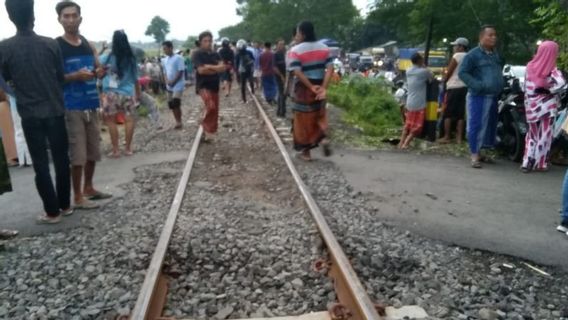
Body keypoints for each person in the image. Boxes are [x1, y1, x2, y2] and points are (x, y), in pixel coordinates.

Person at [0, 0, 72, 224]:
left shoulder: (4, 47)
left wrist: (14, 91)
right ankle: (65, 204)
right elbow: (60, 77)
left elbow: (3, 78)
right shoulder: (50, 44)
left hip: (29, 113)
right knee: (61, 159)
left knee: (40, 163)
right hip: (55, 108)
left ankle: (52, 212)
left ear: (11, 18)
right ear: (33, 16)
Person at [56, 1, 111, 210]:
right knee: (77, 153)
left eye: (73, 15)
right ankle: (77, 197)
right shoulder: (57, 46)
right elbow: (55, 77)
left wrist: (99, 72)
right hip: (72, 106)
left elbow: (99, 67)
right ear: (59, 20)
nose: (70, 20)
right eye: (66, 16)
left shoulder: (87, 43)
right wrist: (74, 76)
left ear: (80, 18)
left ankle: (89, 188)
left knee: (93, 150)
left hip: (91, 103)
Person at [459, 25, 504, 169]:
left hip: (493, 96)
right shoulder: (473, 55)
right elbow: (463, 73)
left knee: (490, 125)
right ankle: (474, 154)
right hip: (478, 96)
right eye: (490, 35)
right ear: (481, 37)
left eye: (494, 35)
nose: (493, 38)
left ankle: (483, 152)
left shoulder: (496, 55)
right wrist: (477, 85)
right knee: (476, 125)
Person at [287, 21, 334, 161]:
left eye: (297, 33)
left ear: (302, 33)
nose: (296, 35)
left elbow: (297, 71)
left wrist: (310, 86)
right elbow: (330, 69)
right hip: (321, 85)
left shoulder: (295, 50)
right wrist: (323, 88)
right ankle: (323, 138)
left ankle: (306, 153)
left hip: (303, 89)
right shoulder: (325, 48)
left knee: (302, 121)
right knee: (319, 115)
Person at [521, 41, 566, 173]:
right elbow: (561, 84)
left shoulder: (530, 66)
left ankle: (526, 161)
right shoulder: (552, 70)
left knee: (532, 134)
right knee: (545, 135)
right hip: (547, 107)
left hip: (531, 106)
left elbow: (526, 86)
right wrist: (549, 90)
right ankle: (540, 163)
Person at [100, 30, 141, 158]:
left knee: (110, 121)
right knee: (129, 121)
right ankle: (128, 149)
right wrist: (138, 93)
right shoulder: (131, 58)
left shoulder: (107, 57)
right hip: (128, 93)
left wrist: (102, 50)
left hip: (111, 93)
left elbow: (98, 68)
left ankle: (116, 150)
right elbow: (135, 78)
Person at [193, 31, 229, 142]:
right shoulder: (197, 54)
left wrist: (209, 66)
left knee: (215, 111)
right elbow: (201, 70)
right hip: (203, 86)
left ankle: (208, 132)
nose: (208, 43)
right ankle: (204, 125)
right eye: (205, 41)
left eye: (209, 41)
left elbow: (223, 67)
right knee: (211, 106)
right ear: (200, 42)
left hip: (214, 86)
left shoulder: (215, 54)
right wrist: (215, 69)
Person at [398, 53, 433, 149]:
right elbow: (431, 77)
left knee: (408, 124)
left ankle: (401, 143)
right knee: (416, 126)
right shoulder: (423, 72)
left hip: (410, 102)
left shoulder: (408, 71)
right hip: (419, 103)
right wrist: (425, 67)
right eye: (422, 59)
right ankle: (406, 144)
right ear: (419, 61)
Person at [439, 37, 469, 144]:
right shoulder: (469, 56)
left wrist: (444, 80)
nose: (454, 48)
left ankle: (446, 136)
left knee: (448, 113)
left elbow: (450, 71)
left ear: (461, 47)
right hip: (464, 87)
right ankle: (459, 138)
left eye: (455, 46)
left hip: (454, 86)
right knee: (460, 114)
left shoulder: (457, 56)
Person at [162, 41, 186, 129]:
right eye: (163, 49)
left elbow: (180, 71)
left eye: (165, 48)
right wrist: (167, 81)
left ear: (171, 48)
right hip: (169, 85)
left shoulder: (178, 58)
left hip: (178, 84)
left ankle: (179, 121)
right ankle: (176, 120)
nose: (164, 50)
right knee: (171, 104)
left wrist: (173, 81)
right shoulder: (165, 60)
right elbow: (164, 72)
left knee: (176, 102)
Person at [235, 39, 255, 103]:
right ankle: (244, 99)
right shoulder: (238, 54)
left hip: (247, 70)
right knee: (243, 85)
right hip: (242, 71)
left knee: (250, 82)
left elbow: (253, 60)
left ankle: (252, 92)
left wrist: (250, 63)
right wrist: (237, 72)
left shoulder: (249, 52)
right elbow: (236, 64)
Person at [274, 39, 288, 117]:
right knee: (282, 93)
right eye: (280, 44)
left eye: (283, 44)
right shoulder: (275, 55)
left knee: (282, 94)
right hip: (279, 76)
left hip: (286, 76)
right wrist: (281, 76)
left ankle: (279, 110)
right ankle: (282, 111)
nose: (282, 46)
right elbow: (274, 67)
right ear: (277, 45)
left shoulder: (285, 54)